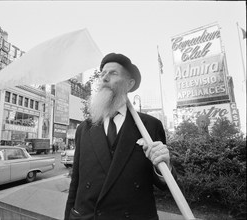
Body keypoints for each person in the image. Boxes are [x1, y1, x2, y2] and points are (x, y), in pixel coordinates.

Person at [64, 53, 176, 220]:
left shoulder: (150, 126)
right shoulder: (84, 128)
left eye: (113, 73)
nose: (104, 78)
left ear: (129, 83)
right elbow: (76, 183)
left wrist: (163, 166)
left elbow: (163, 184)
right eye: (102, 74)